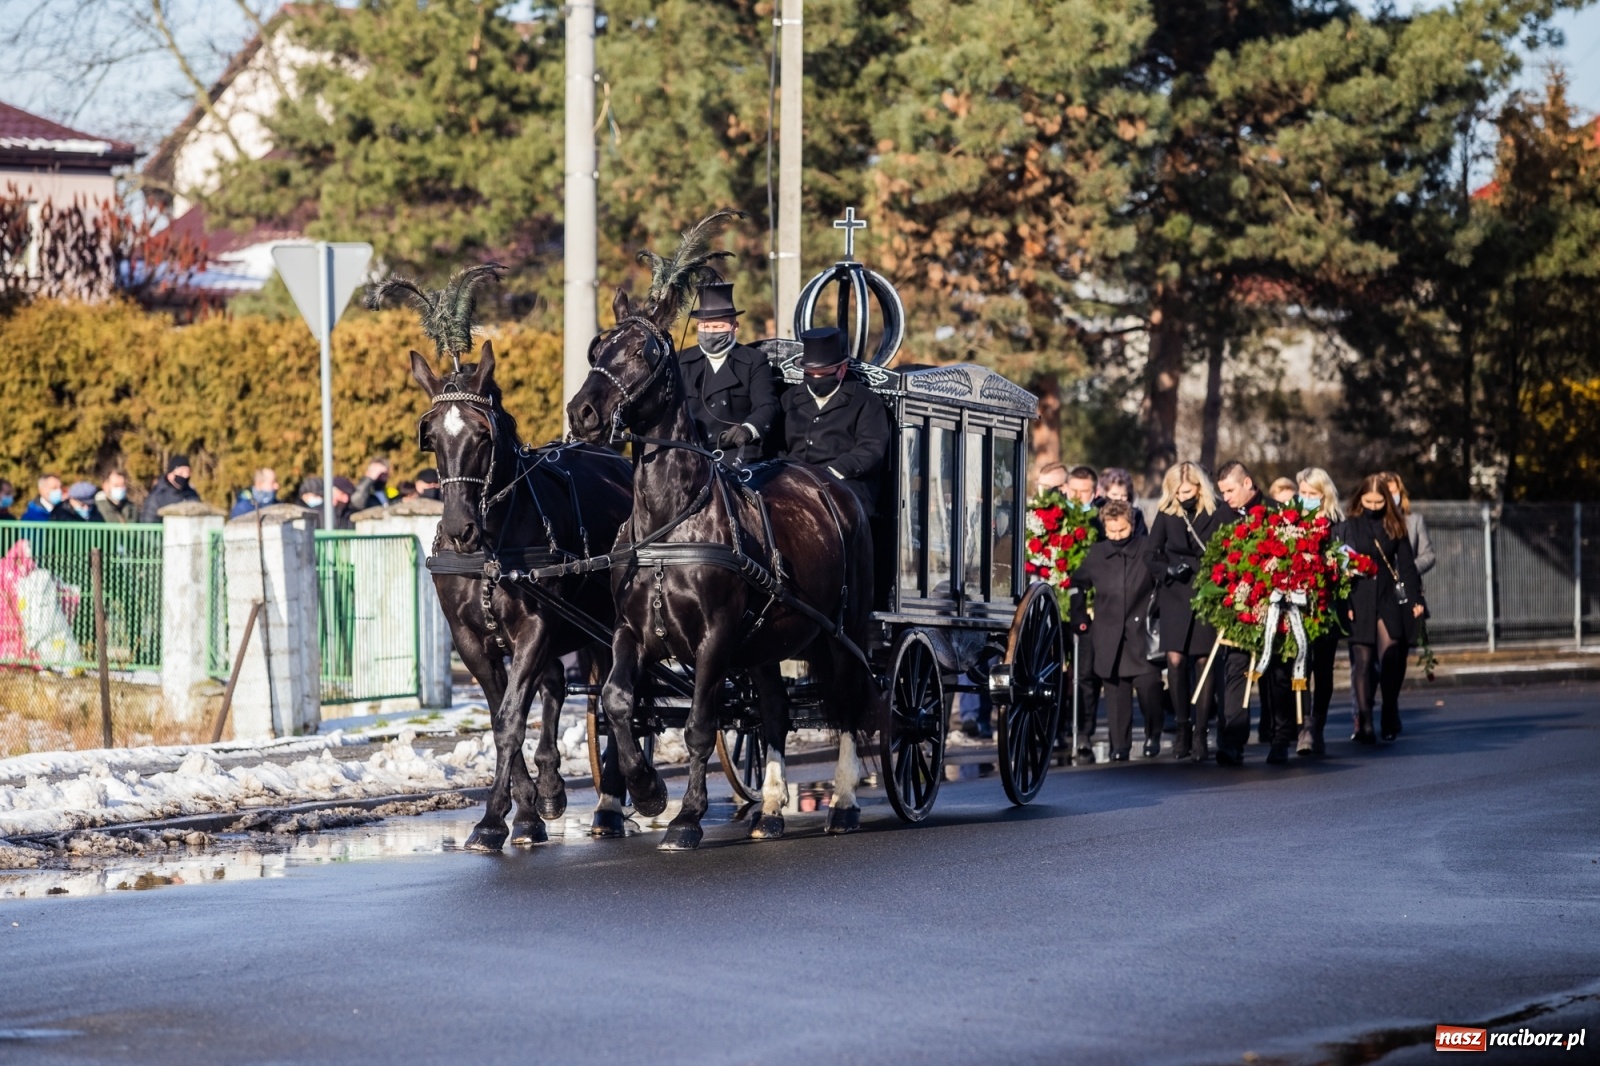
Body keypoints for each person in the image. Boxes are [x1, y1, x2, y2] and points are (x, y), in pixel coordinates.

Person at [1066, 500, 1163, 761]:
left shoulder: (1145, 548)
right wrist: (1079, 614)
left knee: (1149, 687)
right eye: (1112, 532)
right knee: (1116, 694)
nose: (1117, 537)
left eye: (1122, 531)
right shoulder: (1098, 553)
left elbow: (1161, 581)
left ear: (1131, 525)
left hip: (1141, 633)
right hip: (1109, 634)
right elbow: (1078, 583)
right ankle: (1119, 745)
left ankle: (1154, 733)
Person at [1147, 462, 1225, 761]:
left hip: (1207, 591)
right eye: (1178, 491)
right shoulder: (1168, 514)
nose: (1183, 496)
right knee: (1176, 661)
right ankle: (1182, 727)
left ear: (1199, 488)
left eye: (1188, 491)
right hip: (1175, 593)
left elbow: (1223, 550)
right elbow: (1150, 554)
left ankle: (1202, 731)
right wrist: (1167, 569)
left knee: (1204, 663)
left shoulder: (1214, 513)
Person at [1211, 460, 1287, 764]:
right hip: (1239, 608)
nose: (1226, 498)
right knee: (1235, 672)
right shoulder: (1221, 516)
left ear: (1247, 483)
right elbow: (1214, 558)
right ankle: (1232, 740)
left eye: (1230, 490)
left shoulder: (1274, 512)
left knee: (1277, 675)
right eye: (1222, 492)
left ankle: (1279, 738)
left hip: (1274, 608)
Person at [1341, 474, 1425, 744]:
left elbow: (1408, 567)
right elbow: (1341, 567)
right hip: (1359, 597)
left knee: (1391, 656)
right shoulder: (1350, 526)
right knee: (1363, 663)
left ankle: (1390, 709)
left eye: (1379, 501)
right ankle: (1364, 721)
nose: (1374, 506)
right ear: (1360, 498)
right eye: (1368, 501)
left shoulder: (1395, 525)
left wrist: (1415, 600)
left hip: (1388, 597)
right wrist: (1346, 604)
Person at [779, 327, 891, 516]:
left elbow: (871, 448)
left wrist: (833, 471)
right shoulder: (789, 399)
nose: (815, 378)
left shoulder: (865, 401)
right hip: (793, 479)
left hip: (845, 482)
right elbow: (775, 444)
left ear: (842, 370)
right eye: (810, 373)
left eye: (823, 373)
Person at [678, 281, 778, 465]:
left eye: (717, 328)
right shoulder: (681, 361)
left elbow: (767, 405)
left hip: (736, 452)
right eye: (705, 327)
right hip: (692, 452)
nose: (710, 333)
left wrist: (749, 429)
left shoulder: (754, 360)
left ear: (735, 327)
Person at [1292, 467, 1345, 755]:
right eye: (1303, 493)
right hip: (1298, 606)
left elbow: (1348, 562)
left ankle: (1317, 726)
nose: (1307, 498)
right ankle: (1304, 728)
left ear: (1324, 495)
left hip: (1327, 607)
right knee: (1301, 665)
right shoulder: (1293, 522)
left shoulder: (1338, 524)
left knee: (1323, 669)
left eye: (1313, 494)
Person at [1380, 471, 1435, 575]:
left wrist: (1409, 569)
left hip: (1405, 586)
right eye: (1388, 493)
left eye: (1394, 492)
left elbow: (1428, 555)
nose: (1391, 497)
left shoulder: (1415, 521)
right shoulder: (1373, 522)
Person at [141, 455, 200, 521]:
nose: (185, 476)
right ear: (170, 474)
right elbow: (148, 522)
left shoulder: (192, 494)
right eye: (181, 473)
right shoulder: (157, 497)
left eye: (188, 473)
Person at [1096, 467, 1148, 536]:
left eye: (1124, 495)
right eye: (1114, 495)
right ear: (1105, 493)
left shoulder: (1136, 515)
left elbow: (1142, 539)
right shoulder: (1096, 512)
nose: (1119, 499)